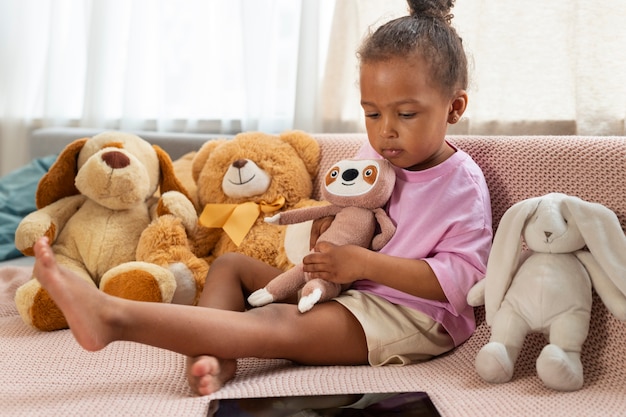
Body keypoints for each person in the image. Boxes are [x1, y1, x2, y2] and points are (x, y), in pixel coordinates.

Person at [30, 0, 492, 397]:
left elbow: (465, 281)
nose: (385, 130)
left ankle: (113, 318)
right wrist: (328, 234)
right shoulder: (378, 151)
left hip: (410, 315)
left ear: (454, 108)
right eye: (371, 113)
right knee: (229, 267)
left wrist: (363, 265)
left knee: (278, 325)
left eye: (406, 114)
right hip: (351, 287)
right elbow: (358, 209)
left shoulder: (461, 184)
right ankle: (215, 357)